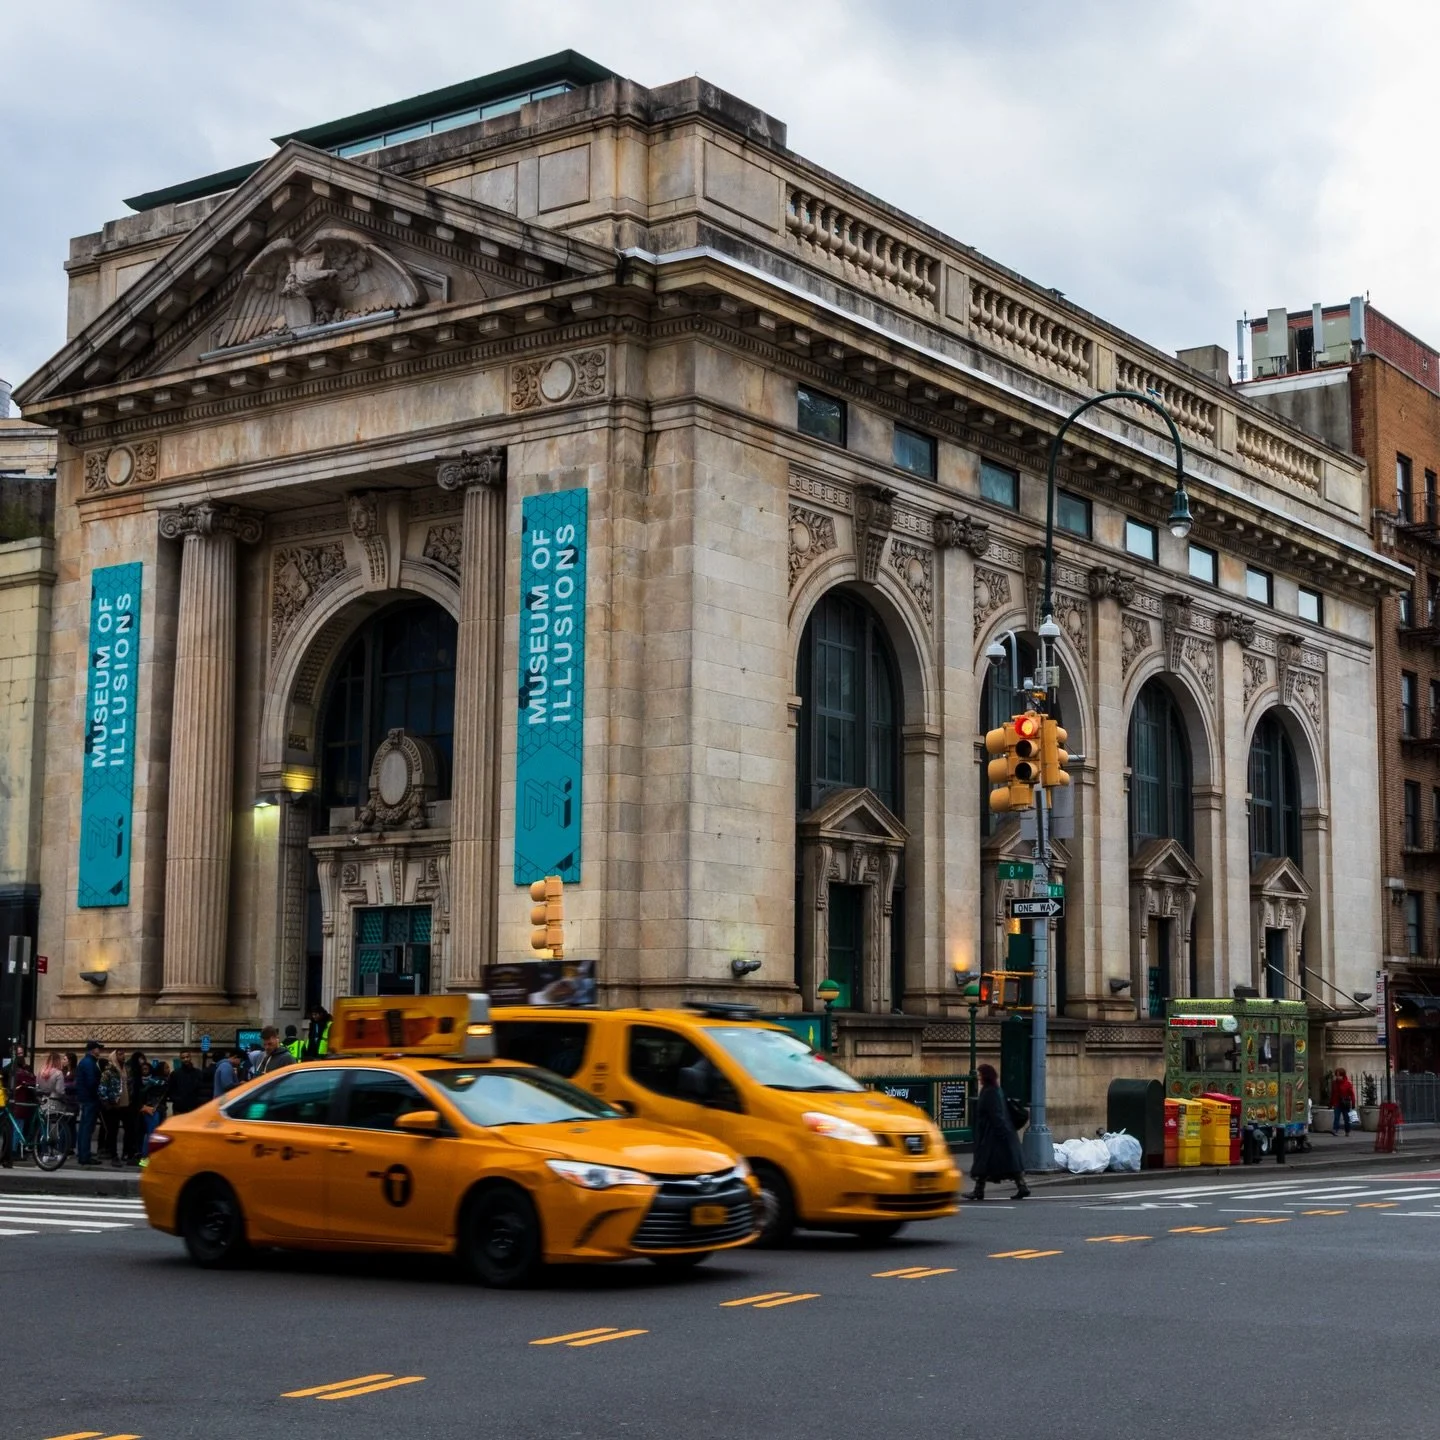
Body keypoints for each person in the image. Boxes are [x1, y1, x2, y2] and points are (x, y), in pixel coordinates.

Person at [966, 1063, 1030, 1202]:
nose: (978, 1077)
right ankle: (1021, 1186)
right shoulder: (996, 1090)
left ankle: (979, 1191)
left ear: (986, 1076)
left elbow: (996, 1115)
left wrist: (1001, 1133)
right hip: (1000, 1133)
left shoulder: (990, 1092)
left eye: (980, 1074)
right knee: (1007, 1163)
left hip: (994, 1135)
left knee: (984, 1162)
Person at [74, 1039, 103, 1167]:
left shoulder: (86, 1062)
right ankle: (84, 1156)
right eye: (98, 1048)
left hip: (85, 1098)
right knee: (87, 1128)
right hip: (90, 1099)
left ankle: (82, 1154)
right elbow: (91, 1082)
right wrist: (99, 1090)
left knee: (83, 1127)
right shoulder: (89, 1063)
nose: (100, 1050)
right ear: (93, 1050)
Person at [166, 1050, 208, 1115]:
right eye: (183, 1058)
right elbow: (171, 1090)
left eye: (187, 1057)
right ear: (180, 1059)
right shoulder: (175, 1074)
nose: (185, 1059)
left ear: (190, 1058)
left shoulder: (198, 1072)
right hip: (179, 1108)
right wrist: (177, 1100)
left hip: (194, 1107)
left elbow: (202, 1089)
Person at [1330, 1068, 1357, 1136]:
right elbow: (1333, 1093)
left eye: (1339, 1075)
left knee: (1346, 1118)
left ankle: (1347, 1131)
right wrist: (1331, 1103)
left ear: (1343, 1075)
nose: (1338, 1077)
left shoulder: (1348, 1083)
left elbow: (1352, 1094)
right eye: (1336, 1075)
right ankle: (1335, 1129)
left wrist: (1353, 1103)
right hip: (1337, 1103)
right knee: (1336, 1117)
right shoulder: (1334, 1083)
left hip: (1345, 1103)